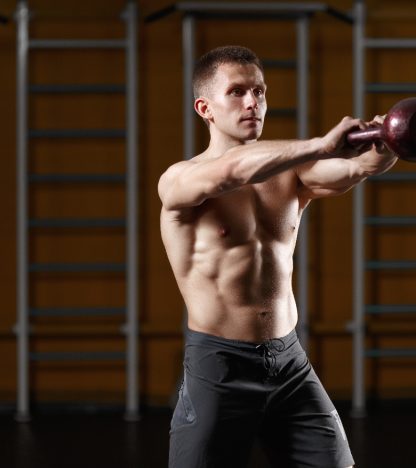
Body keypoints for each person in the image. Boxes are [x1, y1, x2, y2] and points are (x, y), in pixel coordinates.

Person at [159, 45, 398, 468]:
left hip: (289, 364)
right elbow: (232, 171)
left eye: (260, 91)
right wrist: (321, 144)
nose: (253, 102)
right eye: (237, 92)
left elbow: (355, 169)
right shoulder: (181, 180)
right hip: (220, 368)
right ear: (205, 108)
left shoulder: (290, 172)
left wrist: (389, 140)